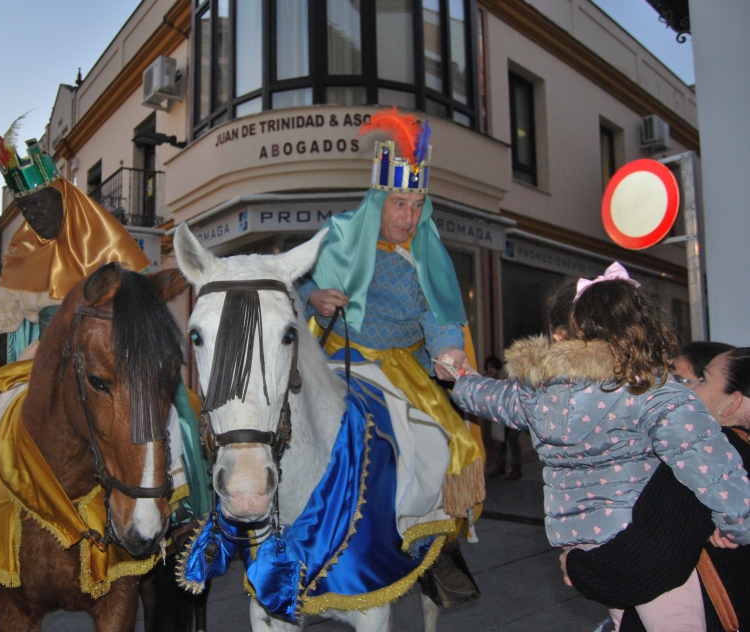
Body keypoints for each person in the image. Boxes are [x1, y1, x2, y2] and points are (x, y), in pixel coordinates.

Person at [0, 121, 208, 605]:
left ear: (64, 197)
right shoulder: (23, 250)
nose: (33, 216)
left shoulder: (107, 243)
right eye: (24, 209)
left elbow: (141, 307)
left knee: (180, 411)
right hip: (39, 363)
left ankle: (187, 521)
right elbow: (0, 316)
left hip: (110, 357)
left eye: (39, 205)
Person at [447, 263, 750, 631]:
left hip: (584, 545)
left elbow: (490, 397)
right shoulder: (652, 392)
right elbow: (709, 464)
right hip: (643, 543)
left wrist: (461, 379)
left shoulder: (539, 394)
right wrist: (737, 524)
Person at [296, 107, 483, 604]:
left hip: (403, 366)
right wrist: (312, 294)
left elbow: (439, 311)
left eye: (417, 205)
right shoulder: (336, 234)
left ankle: (433, 543)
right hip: (340, 357)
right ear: (378, 200)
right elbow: (291, 278)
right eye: (399, 203)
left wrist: (448, 350)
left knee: (445, 443)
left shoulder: (425, 248)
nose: (409, 217)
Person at [564, 347, 750, 632]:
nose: (687, 389)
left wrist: (577, 566)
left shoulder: (709, 453)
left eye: (703, 379)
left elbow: (652, 560)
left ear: (732, 403)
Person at [484, 355, 524, 480]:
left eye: (492, 366)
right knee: (500, 441)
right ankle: (500, 465)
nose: (490, 369)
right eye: (488, 367)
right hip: (499, 416)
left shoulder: (506, 378)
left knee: (513, 440)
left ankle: (516, 468)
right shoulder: (490, 380)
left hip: (512, 415)